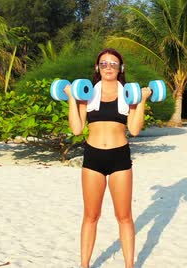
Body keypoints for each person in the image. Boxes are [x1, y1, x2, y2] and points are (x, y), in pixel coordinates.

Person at [64, 48, 151, 268]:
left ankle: (129, 266)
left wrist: (141, 101)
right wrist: (70, 97)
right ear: (97, 68)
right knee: (91, 216)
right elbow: (76, 129)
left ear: (121, 68)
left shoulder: (128, 94)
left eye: (113, 64)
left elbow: (134, 129)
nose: (108, 67)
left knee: (124, 216)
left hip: (119, 158)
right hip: (93, 158)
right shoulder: (88, 93)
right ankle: (84, 265)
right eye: (104, 64)